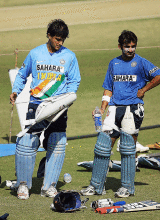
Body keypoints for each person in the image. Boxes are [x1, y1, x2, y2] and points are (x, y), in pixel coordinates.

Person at [80, 30, 160, 198]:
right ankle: (96, 186)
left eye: (133, 46)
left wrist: (144, 89)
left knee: (127, 148)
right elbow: (108, 88)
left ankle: (127, 187)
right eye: (127, 47)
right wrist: (102, 108)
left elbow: (158, 76)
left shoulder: (141, 62)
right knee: (103, 146)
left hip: (133, 108)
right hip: (114, 108)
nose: (130, 50)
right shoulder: (113, 63)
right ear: (120, 46)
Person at [10, 19, 81, 200]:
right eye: (57, 39)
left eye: (63, 39)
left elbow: (74, 80)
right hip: (37, 104)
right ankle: (23, 185)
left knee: (57, 144)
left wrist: (68, 98)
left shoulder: (70, 56)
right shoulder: (35, 54)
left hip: (58, 107)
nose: (60, 43)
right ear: (49, 36)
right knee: (27, 143)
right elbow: (22, 74)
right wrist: (15, 91)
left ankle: (49, 186)